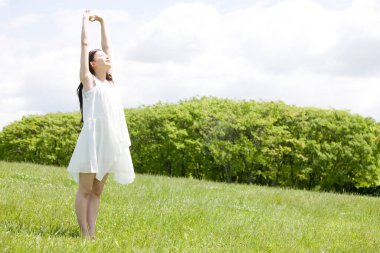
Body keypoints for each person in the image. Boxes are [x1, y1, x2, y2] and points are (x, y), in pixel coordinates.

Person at [67, 9, 135, 239]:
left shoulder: (111, 84)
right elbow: (85, 44)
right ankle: (84, 233)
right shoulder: (89, 83)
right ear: (93, 64)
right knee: (85, 189)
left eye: (106, 57)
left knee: (97, 191)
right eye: (101, 57)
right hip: (92, 142)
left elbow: (109, 48)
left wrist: (104, 22)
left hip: (109, 142)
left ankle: (92, 233)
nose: (106, 57)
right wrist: (85, 21)